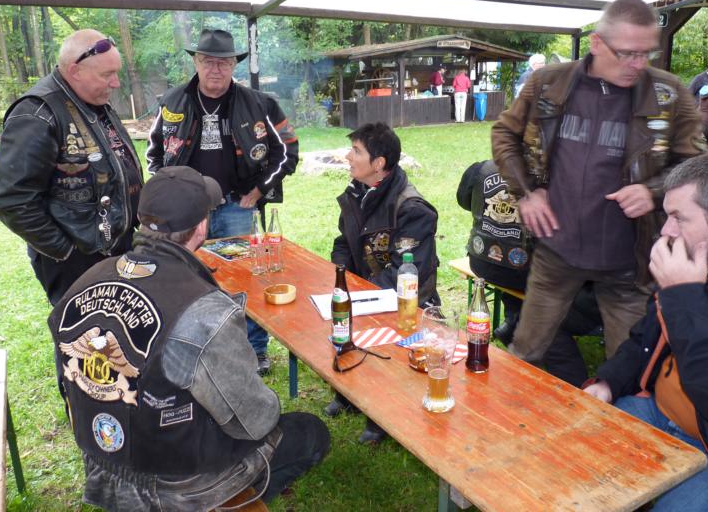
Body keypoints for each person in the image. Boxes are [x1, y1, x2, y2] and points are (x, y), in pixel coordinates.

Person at [48, 166, 330, 511]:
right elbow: (253, 419)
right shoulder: (205, 311)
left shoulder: (82, 282)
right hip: (179, 487)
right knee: (311, 432)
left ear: (141, 219)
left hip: (103, 465)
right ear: (201, 227)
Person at [491, 0, 704, 367]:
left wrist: (653, 191)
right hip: (556, 250)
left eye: (647, 53)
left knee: (630, 368)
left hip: (629, 261)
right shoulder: (548, 83)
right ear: (596, 43)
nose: (638, 64)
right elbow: (504, 133)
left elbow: (699, 164)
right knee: (525, 353)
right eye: (627, 53)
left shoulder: (668, 94)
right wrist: (526, 192)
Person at [584, 152, 708, 511]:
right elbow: (646, 336)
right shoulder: (702, 256)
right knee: (569, 456)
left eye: (679, 218)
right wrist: (608, 382)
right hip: (656, 411)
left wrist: (683, 297)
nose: (666, 231)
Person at [147, 28, 299, 376]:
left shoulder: (259, 104)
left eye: (223, 63)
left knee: (247, 279)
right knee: (188, 278)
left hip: (236, 206)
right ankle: (198, 347)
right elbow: (154, 154)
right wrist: (172, 195)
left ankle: (255, 350)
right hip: (187, 213)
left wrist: (258, 190)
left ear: (234, 66)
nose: (215, 69)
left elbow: (287, 149)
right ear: (196, 63)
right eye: (207, 61)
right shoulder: (172, 102)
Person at [0, 29, 143, 306]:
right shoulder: (37, 113)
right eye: (107, 74)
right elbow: (10, 199)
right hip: (78, 261)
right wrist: (67, 252)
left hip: (114, 249)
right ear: (75, 71)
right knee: (86, 330)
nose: (116, 82)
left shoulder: (93, 102)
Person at [326, 122, 440, 443]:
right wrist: (341, 276)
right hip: (368, 289)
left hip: (409, 302)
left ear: (378, 164)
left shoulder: (411, 209)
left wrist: (360, 294)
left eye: (356, 151)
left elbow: (407, 274)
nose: (348, 156)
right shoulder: (358, 193)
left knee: (379, 335)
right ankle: (349, 393)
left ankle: (382, 414)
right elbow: (344, 243)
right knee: (339, 317)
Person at [456, 160, 602, 386]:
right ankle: (516, 323)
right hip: (526, 271)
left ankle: (513, 322)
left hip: (483, 261)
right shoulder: (559, 181)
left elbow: (463, 200)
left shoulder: (482, 168)